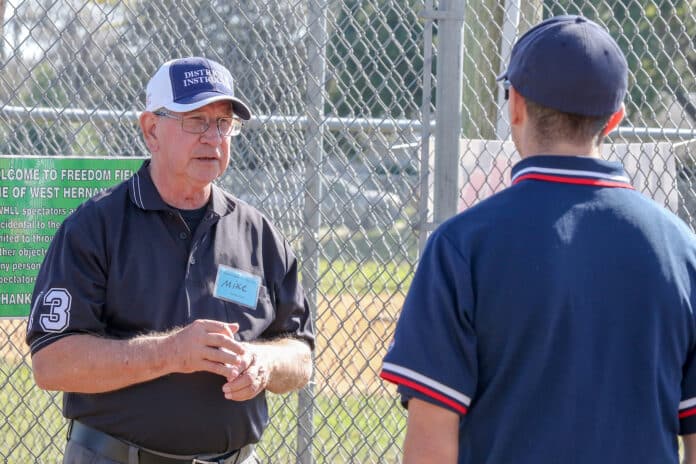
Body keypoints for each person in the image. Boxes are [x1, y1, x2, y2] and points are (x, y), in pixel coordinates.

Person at [381, 15, 696, 464]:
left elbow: (431, 443)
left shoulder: (462, 246)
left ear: (516, 105)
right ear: (615, 118)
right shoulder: (681, 249)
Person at [26, 56, 314, 464]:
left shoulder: (258, 233)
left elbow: (300, 354)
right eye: (196, 120)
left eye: (223, 123)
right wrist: (170, 353)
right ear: (151, 130)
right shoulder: (95, 227)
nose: (213, 137)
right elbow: (52, 364)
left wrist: (263, 361)